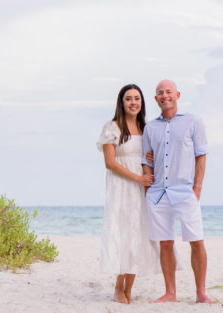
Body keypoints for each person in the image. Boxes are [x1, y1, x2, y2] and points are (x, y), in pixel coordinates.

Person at [142, 79, 215, 304]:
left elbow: (201, 155)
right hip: (158, 194)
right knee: (165, 243)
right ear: (155, 99)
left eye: (169, 92)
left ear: (177, 95)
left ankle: (201, 293)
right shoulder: (150, 127)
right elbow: (147, 159)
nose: (165, 96)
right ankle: (170, 293)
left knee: (196, 241)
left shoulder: (193, 122)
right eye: (160, 93)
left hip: (185, 192)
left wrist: (198, 187)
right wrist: (148, 189)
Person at [96, 84, 158, 304]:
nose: (133, 102)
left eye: (137, 98)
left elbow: (152, 158)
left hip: (142, 189)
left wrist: (149, 180)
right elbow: (110, 163)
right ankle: (117, 287)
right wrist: (137, 178)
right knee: (122, 235)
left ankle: (129, 288)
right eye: (129, 99)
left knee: (138, 235)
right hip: (121, 188)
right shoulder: (112, 127)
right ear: (121, 103)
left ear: (142, 102)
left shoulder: (146, 128)